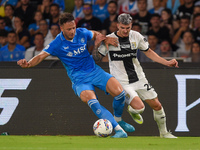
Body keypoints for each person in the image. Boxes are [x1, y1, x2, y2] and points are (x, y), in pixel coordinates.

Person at [17, 12, 135, 138]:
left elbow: (95, 34)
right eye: (69, 29)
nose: (73, 31)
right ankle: (119, 131)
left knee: (120, 93)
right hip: (79, 79)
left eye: (73, 27)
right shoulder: (57, 43)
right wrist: (29, 64)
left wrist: (104, 38)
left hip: (94, 71)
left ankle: (117, 120)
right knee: (92, 100)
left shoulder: (81, 32)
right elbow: (41, 56)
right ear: (61, 28)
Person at [94, 13, 179, 138]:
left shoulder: (136, 36)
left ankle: (164, 133)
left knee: (157, 105)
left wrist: (166, 62)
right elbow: (96, 58)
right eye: (122, 27)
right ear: (117, 25)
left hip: (139, 78)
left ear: (131, 26)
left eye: (128, 28)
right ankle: (133, 111)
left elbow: (149, 52)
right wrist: (98, 43)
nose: (125, 30)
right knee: (140, 108)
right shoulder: (110, 39)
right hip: (122, 82)